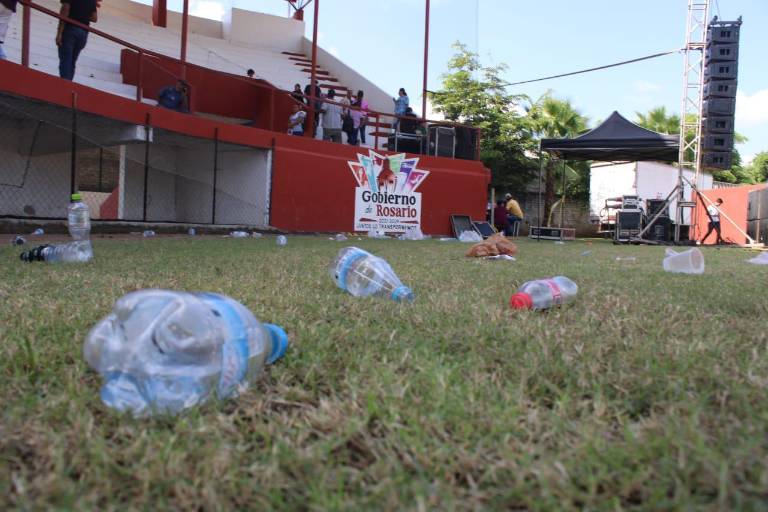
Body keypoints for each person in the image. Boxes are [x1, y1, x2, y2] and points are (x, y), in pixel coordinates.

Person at [56, 0, 98, 80]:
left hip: (70, 29)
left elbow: (65, 10)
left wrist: (59, 33)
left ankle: (65, 85)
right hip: (83, 33)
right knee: (72, 62)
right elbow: (94, 18)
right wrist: (82, 15)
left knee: (66, 60)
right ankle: (69, 84)